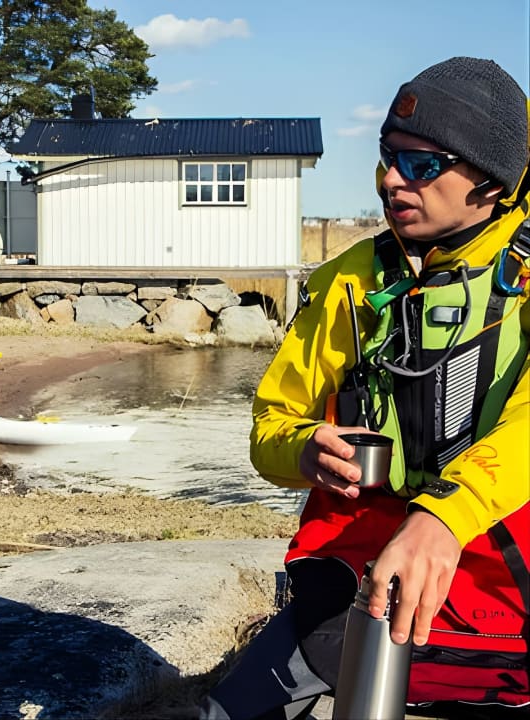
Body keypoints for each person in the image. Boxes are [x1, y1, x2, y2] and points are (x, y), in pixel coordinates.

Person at [201, 56, 530, 719]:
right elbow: (271, 423)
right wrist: (303, 449)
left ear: (491, 180)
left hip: (507, 585)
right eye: (387, 157)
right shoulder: (348, 281)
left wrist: (445, 516)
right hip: (362, 582)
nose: (390, 180)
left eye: (422, 164)